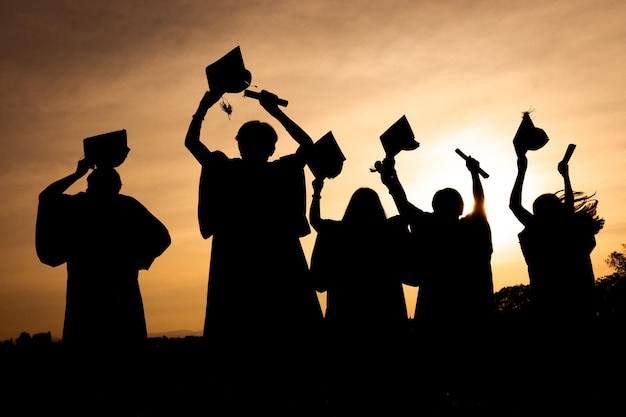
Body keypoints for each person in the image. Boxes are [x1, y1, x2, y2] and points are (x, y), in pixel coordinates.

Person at [184, 88, 323, 414]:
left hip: (236, 271)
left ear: (240, 145)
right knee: (285, 342)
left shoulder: (226, 171)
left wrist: (205, 103)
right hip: (280, 267)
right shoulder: (281, 171)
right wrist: (274, 111)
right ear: (272, 147)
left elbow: (192, 143)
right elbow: (309, 147)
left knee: (237, 344)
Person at [36, 159, 171, 415]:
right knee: (119, 369)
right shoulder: (121, 206)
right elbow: (162, 237)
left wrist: (76, 173)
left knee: (94, 369)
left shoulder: (80, 206)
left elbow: (47, 196)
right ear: (116, 186)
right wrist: (137, 260)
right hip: (112, 295)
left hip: (91, 297)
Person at [376, 154, 494, 410]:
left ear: (434, 205)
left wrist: (390, 180)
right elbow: (480, 203)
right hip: (468, 309)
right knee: (468, 375)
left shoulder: (427, 225)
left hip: (434, 306)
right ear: (460, 207)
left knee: (432, 373)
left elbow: (403, 204)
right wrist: (474, 173)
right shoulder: (473, 227)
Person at [309, 179, 411, 413]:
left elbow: (318, 280)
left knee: (346, 392)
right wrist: (392, 183)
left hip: (345, 322)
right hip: (387, 321)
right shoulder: (391, 231)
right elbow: (407, 216)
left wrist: (316, 193)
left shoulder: (334, 233)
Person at [510, 146, 604, 329]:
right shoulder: (572, 229)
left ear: (537, 213)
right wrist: (566, 177)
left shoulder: (540, 230)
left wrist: (521, 170)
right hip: (582, 300)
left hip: (548, 301)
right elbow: (568, 209)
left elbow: (514, 205)